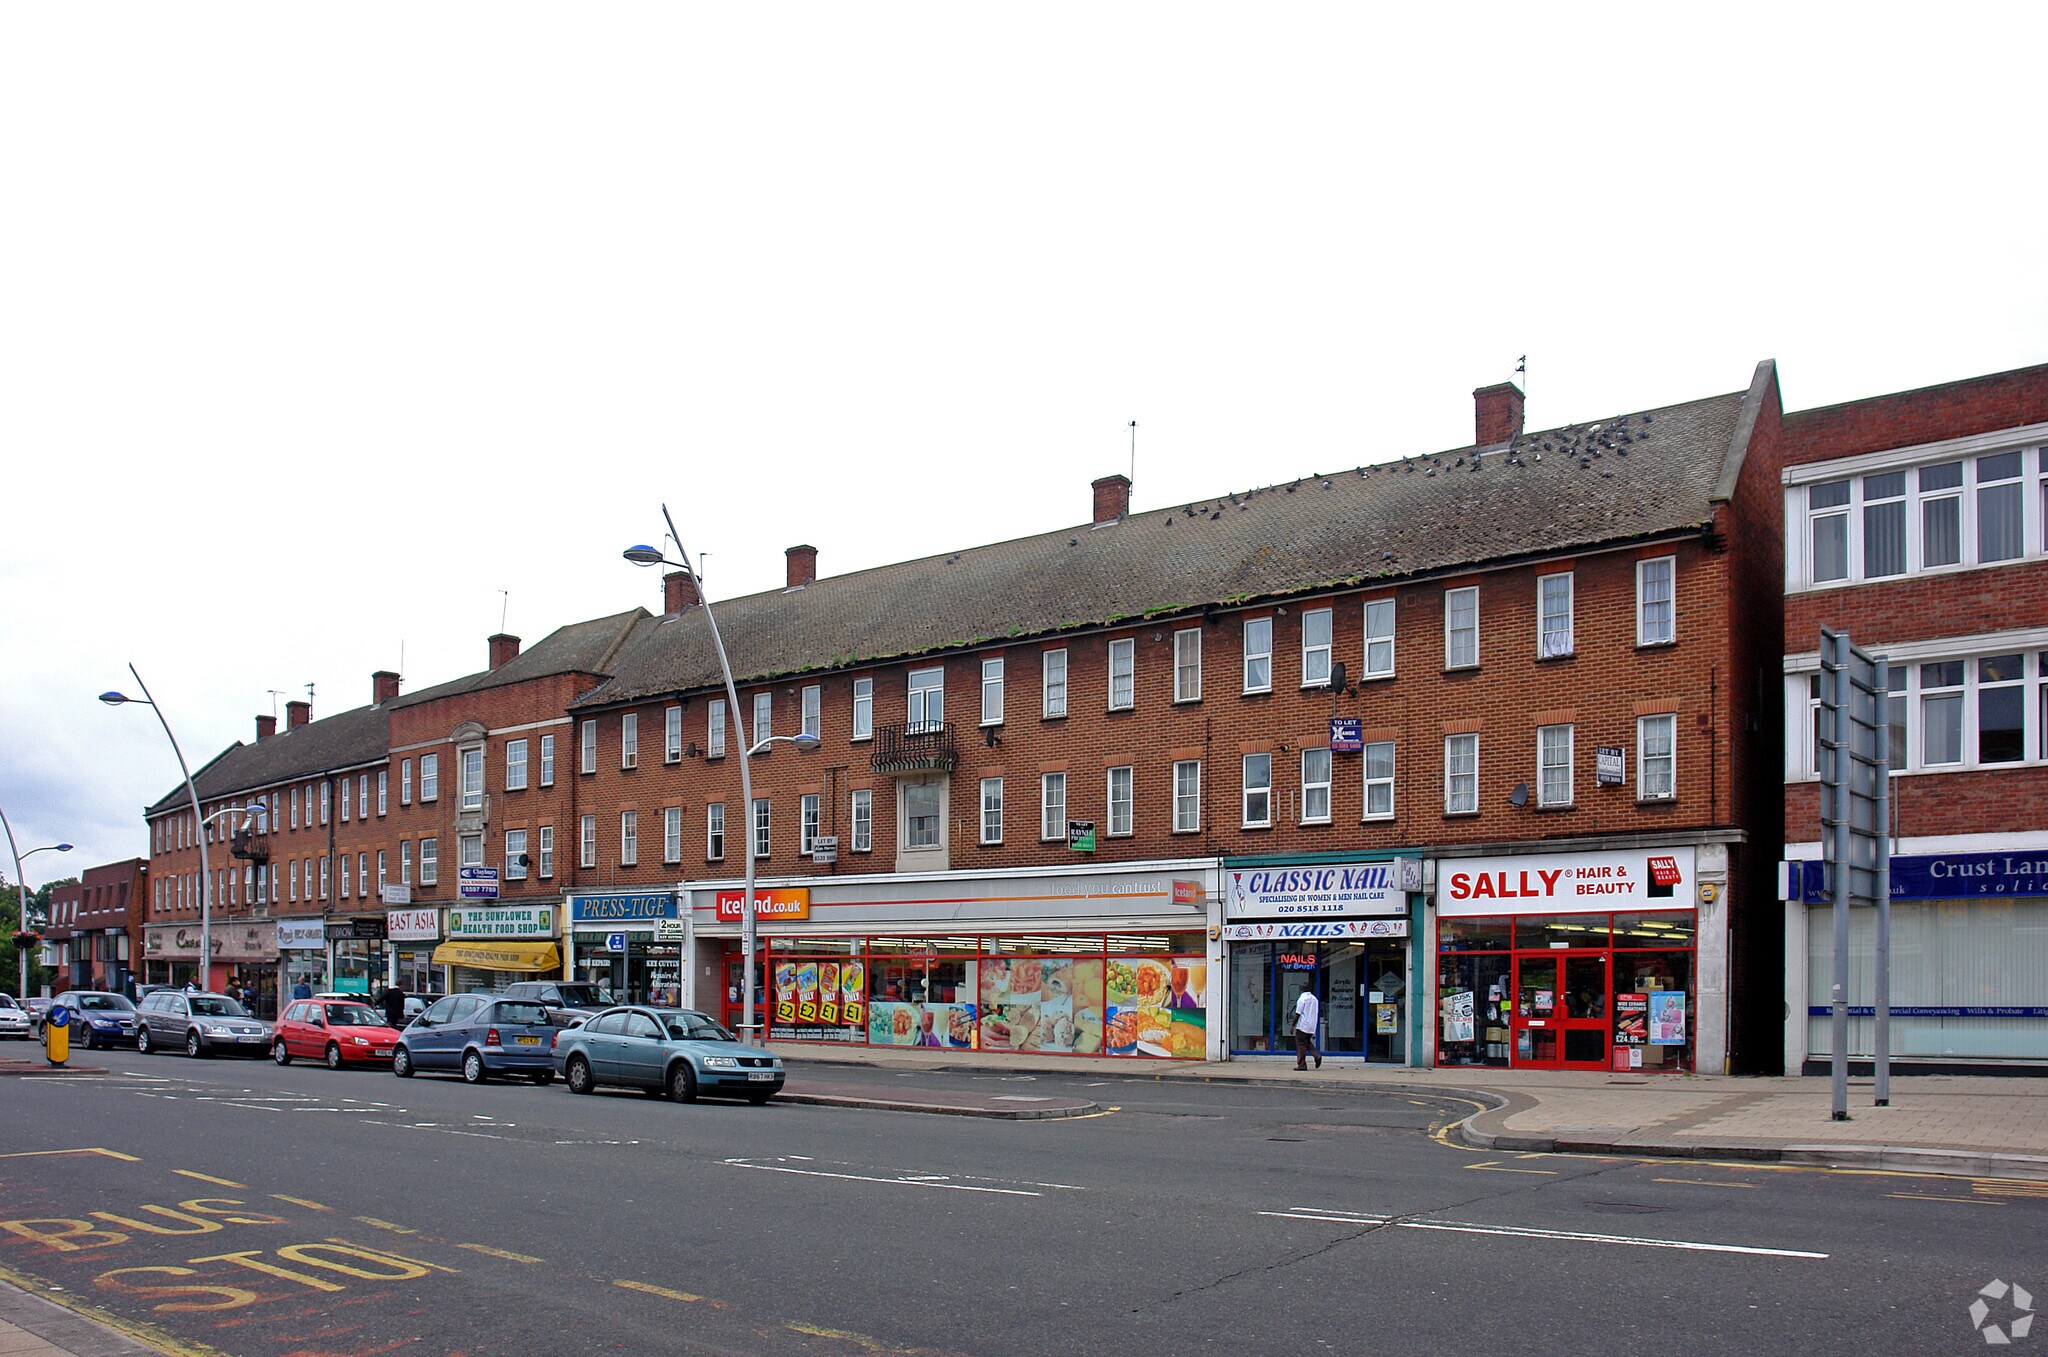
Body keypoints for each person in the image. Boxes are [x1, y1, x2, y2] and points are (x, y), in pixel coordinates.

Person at [1292, 986, 1321, 1070]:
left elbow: (1298, 1013)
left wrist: (1292, 1025)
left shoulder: (1302, 999)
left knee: (1301, 1045)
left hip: (1303, 1026)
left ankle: (1302, 1065)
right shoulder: (1315, 999)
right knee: (1306, 1042)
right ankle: (1317, 1056)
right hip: (1312, 1026)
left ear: (1302, 990)